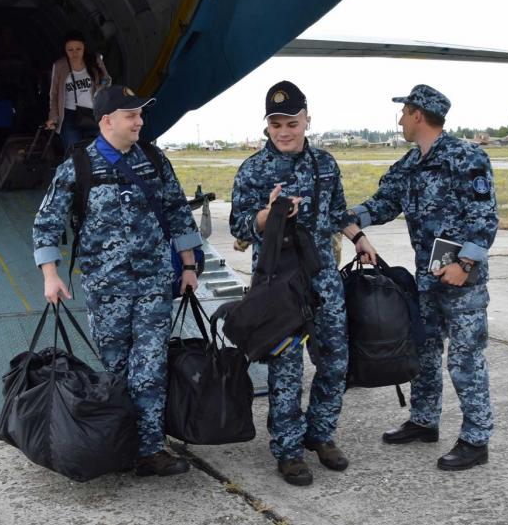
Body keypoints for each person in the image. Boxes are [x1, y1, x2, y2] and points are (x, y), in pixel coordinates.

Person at [32, 85, 200, 476]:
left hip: (154, 285)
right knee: (117, 370)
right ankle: (122, 445)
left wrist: (189, 266)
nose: (140, 122)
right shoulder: (78, 166)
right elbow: (46, 223)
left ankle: (150, 450)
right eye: (131, 115)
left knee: (150, 367)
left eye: (140, 114)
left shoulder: (154, 160)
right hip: (107, 290)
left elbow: (178, 212)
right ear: (107, 121)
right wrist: (50, 276)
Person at [347, 85, 498, 471]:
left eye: (404, 113)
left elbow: (484, 217)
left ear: (417, 115)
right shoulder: (410, 164)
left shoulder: (466, 157)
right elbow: (383, 203)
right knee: (424, 351)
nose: (400, 120)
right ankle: (424, 421)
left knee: (464, 359)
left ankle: (476, 439)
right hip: (427, 278)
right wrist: (348, 217)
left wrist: (464, 265)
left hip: (462, 281)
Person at [229, 81, 357, 486]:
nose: (284, 132)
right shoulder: (253, 169)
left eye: (292, 123)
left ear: (307, 121)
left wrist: (360, 239)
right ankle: (288, 450)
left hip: (322, 279)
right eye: (276, 124)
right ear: (266, 125)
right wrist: (267, 215)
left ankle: (321, 434)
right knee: (285, 368)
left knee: (335, 360)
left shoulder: (325, 164)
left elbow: (338, 212)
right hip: (277, 284)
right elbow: (239, 227)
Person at [46, 30, 111, 151]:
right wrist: (53, 117)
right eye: (70, 50)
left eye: (78, 49)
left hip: (93, 113)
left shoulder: (94, 60)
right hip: (69, 116)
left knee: (99, 151)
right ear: (65, 50)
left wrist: (100, 87)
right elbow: (54, 94)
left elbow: (107, 79)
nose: (74, 53)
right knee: (74, 152)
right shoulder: (59, 65)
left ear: (84, 48)